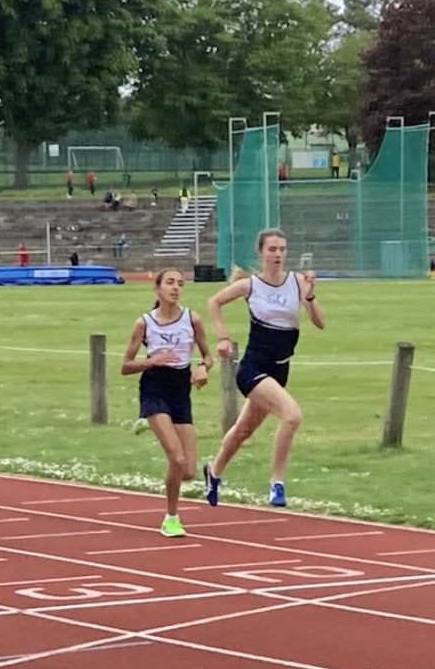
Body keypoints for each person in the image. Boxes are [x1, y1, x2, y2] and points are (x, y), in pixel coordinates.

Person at [202, 228, 325, 508]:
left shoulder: (297, 281)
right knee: (292, 416)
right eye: (272, 249)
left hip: (280, 369)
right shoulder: (251, 285)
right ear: (261, 252)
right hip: (253, 368)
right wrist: (222, 337)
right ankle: (277, 484)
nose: (278, 254)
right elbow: (215, 301)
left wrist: (310, 297)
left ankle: (214, 471)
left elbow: (320, 323)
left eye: (282, 249)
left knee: (244, 429)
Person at [121, 268, 213, 537]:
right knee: (176, 457)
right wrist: (153, 361)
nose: (176, 288)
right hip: (154, 387)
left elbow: (208, 356)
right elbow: (125, 366)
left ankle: (150, 423)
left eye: (180, 284)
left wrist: (202, 368)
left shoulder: (192, 319)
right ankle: (171, 518)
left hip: (180, 392)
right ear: (157, 289)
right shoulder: (144, 323)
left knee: (188, 471)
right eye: (170, 283)